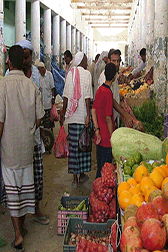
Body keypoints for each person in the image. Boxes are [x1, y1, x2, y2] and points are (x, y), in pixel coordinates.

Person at [0, 45, 45, 252]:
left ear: (8, 62)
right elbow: (40, 116)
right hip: (26, 148)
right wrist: (30, 129)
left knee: (13, 191)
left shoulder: (3, 85)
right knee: (24, 187)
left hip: (9, 148)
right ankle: (21, 227)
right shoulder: (30, 85)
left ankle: (18, 234)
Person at [6, 39, 49, 225]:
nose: (24, 60)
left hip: (34, 137)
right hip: (17, 138)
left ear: (31, 57)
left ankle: (36, 210)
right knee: (18, 180)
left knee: (37, 178)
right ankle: (19, 217)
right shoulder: (10, 75)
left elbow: (40, 105)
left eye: (27, 57)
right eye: (22, 57)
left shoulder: (38, 76)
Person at [60, 52, 93, 188]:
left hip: (72, 116)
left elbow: (66, 96)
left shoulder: (70, 74)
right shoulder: (86, 74)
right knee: (83, 146)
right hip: (82, 116)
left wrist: (63, 113)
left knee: (73, 147)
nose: (86, 63)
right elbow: (87, 97)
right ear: (82, 62)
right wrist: (88, 115)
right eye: (85, 60)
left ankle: (75, 178)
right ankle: (82, 174)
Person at [92, 63, 117, 178]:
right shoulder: (108, 93)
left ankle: (96, 189)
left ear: (105, 74)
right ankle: (100, 191)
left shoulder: (99, 90)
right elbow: (108, 118)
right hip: (107, 139)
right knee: (106, 170)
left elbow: (93, 110)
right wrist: (112, 137)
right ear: (115, 76)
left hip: (99, 137)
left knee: (100, 167)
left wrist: (97, 130)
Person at [97, 49, 133, 128]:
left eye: (118, 61)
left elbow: (113, 92)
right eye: (114, 61)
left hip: (113, 117)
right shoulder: (105, 76)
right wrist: (125, 114)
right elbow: (110, 98)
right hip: (107, 120)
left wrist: (118, 95)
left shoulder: (114, 74)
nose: (116, 64)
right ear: (108, 61)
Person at [37, 61, 56, 131]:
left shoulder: (49, 75)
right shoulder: (39, 76)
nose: (39, 72)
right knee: (43, 124)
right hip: (41, 103)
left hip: (48, 102)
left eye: (40, 70)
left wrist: (53, 98)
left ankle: (50, 133)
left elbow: (53, 88)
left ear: (43, 68)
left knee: (49, 122)